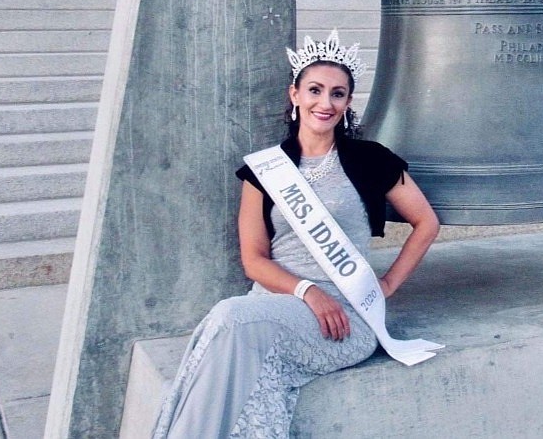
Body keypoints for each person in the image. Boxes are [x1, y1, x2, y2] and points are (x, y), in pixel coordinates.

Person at [153, 30, 440, 438]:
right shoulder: (264, 170)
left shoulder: (370, 160)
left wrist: (389, 283)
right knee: (230, 324)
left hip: (344, 317)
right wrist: (308, 291)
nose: (326, 103)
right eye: (315, 90)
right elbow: (254, 260)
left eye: (337, 94)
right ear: (295, 94)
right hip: (276, 305)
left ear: (348, 102)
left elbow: (425, 222)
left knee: (230, 319)